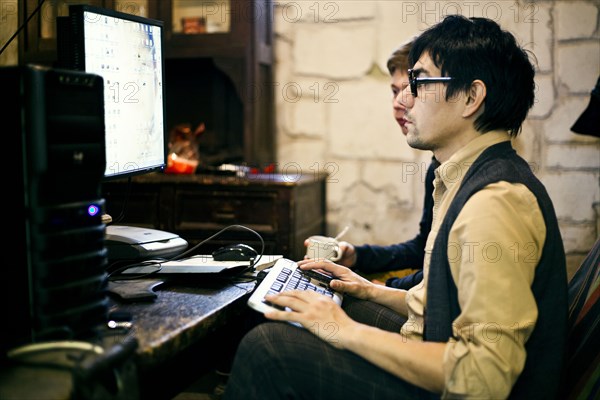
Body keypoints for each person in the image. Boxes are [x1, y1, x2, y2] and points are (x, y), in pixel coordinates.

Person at [223, 14, 568, 399]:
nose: (404, 99)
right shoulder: (465, 177)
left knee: (268, 348)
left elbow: (484, 375)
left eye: (418, 83)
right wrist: (366, 289)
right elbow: (438, 302)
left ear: (472, 97)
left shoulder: (494, 202)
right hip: (441, 352)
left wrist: (346, 329)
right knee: (325, 305)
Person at [315, 37, 435, 290]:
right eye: (394, 91)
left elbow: (438, 279)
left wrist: (377, 287)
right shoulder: (439, 167)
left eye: (411, 89)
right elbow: (423, 249)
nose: (398, 102)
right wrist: (358, 256)